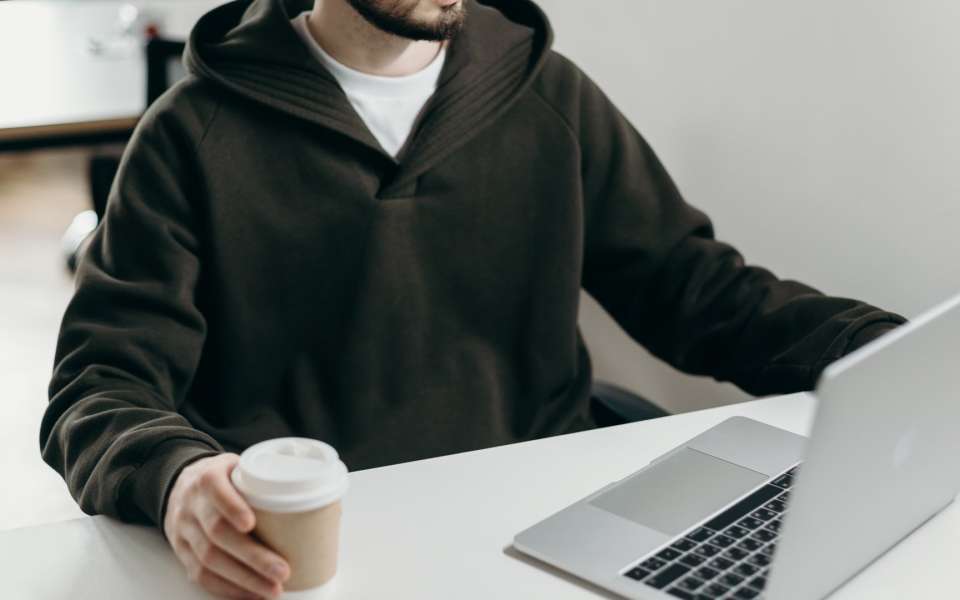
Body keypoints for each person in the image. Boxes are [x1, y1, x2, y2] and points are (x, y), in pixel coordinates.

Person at [39, 0, 906, 597]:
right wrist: (178, 477)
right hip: (316, 554)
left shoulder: (549, 95)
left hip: (547, 524)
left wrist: (903, 357)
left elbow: (701, 293)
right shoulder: (192, 134)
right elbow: (100, 385)